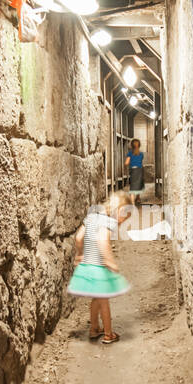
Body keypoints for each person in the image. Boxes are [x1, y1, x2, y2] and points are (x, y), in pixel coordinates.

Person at [68, 191, 133, 344]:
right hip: (99, 268)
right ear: (120, 210)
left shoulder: (91, 217)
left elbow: (78, 237)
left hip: (86, 265)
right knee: (104, 300)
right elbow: (102, 241)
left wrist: (80, 253)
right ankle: (109, 334)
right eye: (125, 217)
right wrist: (110, 261)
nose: (122, 222)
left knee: (96, 299)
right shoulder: (108, 222)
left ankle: (94, 329)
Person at [124, 138, 145, 206]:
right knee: (139, 184)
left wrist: (127, 164)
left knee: (133, 186)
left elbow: (126, 163)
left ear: (131, 146)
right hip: (140, 170)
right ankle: (138, 198)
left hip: (133, 170)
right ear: (139, 145)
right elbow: (140, 161)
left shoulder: (130, 153)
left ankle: (132, 203)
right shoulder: (141, 154)